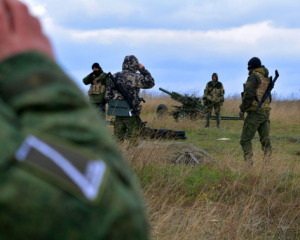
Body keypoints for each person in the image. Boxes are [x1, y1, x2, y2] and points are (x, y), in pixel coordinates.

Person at [0, 1, 149, 239]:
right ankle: (129, 148)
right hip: (111, 109)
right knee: (128, 132)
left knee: (119, 130)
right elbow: (114, 218)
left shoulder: (115, 76)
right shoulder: (121, 77)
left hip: (111, 107)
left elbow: (108, 93)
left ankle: (126, 146)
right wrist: (32, 69)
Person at [105, 55, 155, 142]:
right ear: (135, 65)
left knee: (117, 141)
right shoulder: (135, 77)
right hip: (131, 114)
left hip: (118, 113)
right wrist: (143, 70)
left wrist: (117, 106)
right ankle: (133, 155)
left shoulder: (114, 76)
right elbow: (150, 83)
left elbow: (107, 96)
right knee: (133, 140)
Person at [239, 57, 272, 167]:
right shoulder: (265, 77)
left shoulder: (253, 76)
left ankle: (249, 166)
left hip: (255, 112)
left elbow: (249, 95)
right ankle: (267, 165)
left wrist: (242, 109)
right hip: (265, 112)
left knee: (245, 139)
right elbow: (269, 97)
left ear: (251, 66)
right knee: (265, 141)